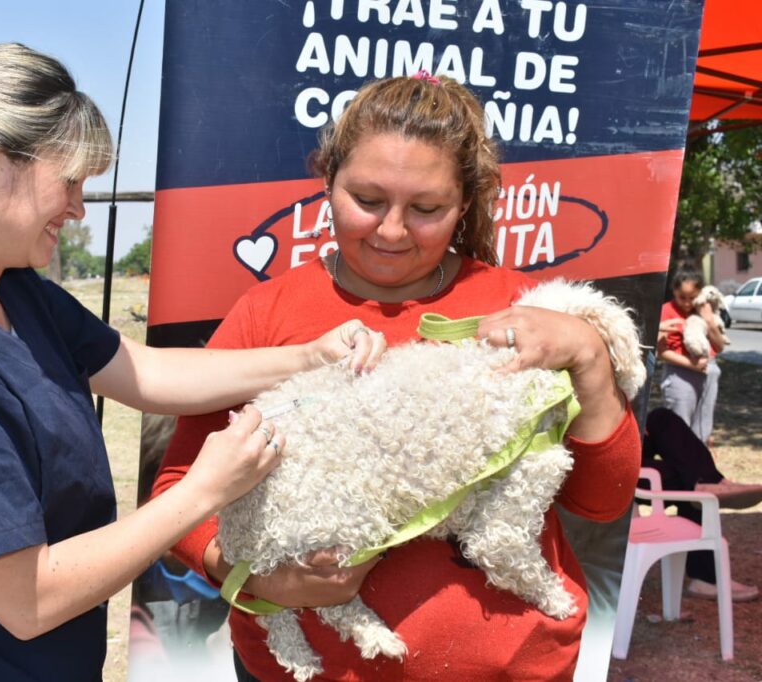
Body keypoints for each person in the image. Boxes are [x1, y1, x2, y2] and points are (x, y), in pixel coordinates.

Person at [0, 43, 388, 681]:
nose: (77, 208)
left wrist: (309, 356)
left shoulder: (8, 288)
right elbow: (28, 598)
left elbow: (142, 373)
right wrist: (205, 490)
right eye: (67, 182)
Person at [152, 73, 642, 680]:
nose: (391, 230)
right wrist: (244, 569)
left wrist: (590, 357)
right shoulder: (268, 313)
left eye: (427, 209)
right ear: (327, 181)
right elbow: (177, 485)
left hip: (510, 665)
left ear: (466, 203)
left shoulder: (521, 307)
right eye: (367, 199)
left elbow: (603, 500)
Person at [641, 407, 762, 602]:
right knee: (687, 478)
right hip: (603, 465)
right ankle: (706, 578)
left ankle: (709, 481)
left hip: (622, 441)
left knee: (661, 418)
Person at [657, 270, 727, 444]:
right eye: (682, 297)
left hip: (708, 372)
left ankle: (699, 465)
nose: (687, 303)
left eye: (692, 297)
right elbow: (661, 352)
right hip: (680, 375)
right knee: (679, 428)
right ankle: (677, 468)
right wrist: (691, 364)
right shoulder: (666, 311)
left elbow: (719, 345)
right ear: (674, 291)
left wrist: (709, 320)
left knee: (703, 426)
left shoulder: (704, 309)